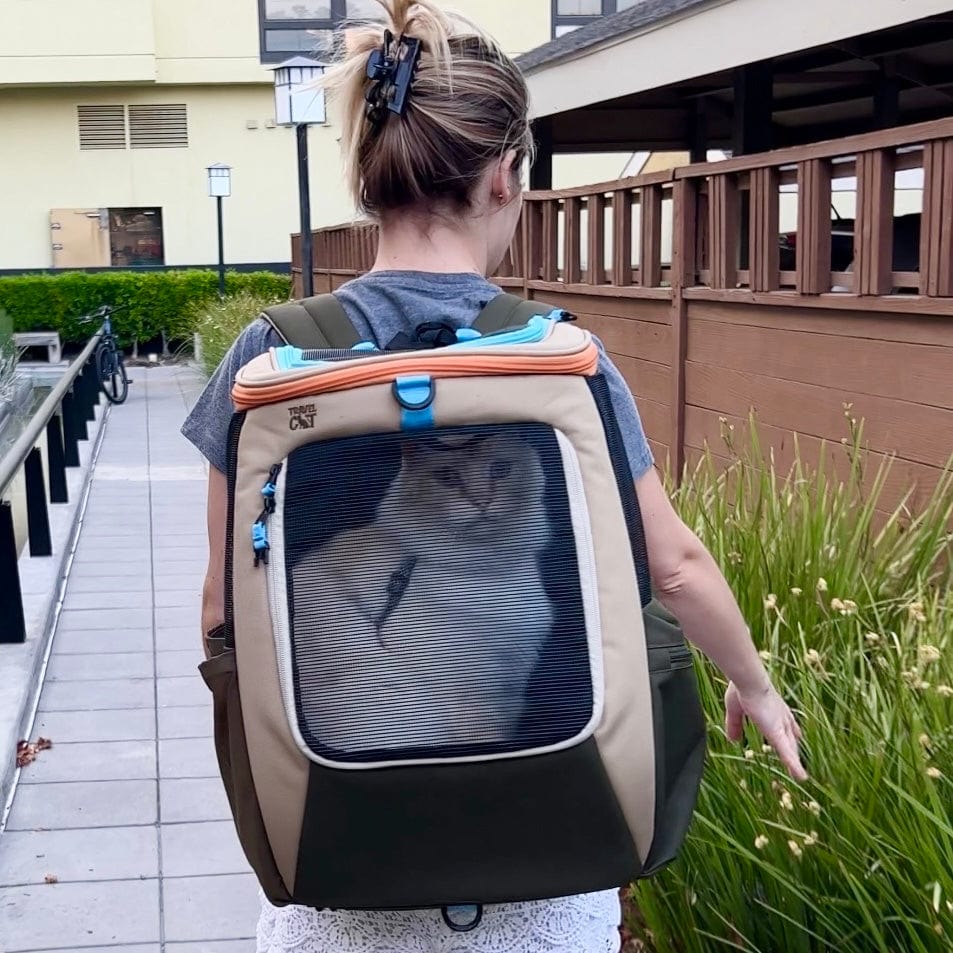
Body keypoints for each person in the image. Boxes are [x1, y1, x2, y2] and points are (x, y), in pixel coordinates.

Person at [182, 2, 807, 950]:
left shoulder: (268, 356)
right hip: (547, 860)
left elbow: (221, 612)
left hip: (341, 854)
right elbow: (672, 565)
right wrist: (754, 687)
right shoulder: (561, 356)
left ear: (364, 176)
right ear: (509, 174)